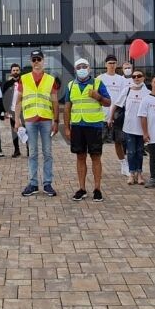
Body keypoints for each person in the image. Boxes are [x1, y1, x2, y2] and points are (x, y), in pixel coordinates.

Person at [64, 58, 112, 202]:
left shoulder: (98, 83)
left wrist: (98, 97)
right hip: (78, 126)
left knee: (96, 156)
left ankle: (97, 189)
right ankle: (82, 188)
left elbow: (108, 102)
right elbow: (67, 107)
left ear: (89, 68)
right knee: (80, 156)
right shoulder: (71, 85)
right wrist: (67, 128)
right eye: (79, 67)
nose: (82, 69)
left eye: (84, 66)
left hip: (94, 125)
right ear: (75, 70)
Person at [14, 49, 60, 197]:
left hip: (46, 120)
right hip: (30, 120)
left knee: (47, 153)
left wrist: (56, 121)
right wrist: (17, 119)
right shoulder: (24, 78)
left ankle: (47, 184)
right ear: (31, 61)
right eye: (34, 60)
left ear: (43, 61)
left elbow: (55, 101)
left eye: (38, 59)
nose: (36, 62)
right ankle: (33, 184)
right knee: (32, 153)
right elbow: (19, 101)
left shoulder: (50, 79)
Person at [112, 68, 148, 185]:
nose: (136, 78)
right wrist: (110, 117)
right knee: (131, 152)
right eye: (134, 76)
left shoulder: (147, 92)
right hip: (129, 127)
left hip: (142, 128)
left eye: (139, 76)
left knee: (139, 151)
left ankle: (140, 173)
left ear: (143, 77)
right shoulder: (126, 90)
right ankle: (132, 173)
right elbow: (116, 104)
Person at [98, 54, 128, 175]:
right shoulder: (100, 78)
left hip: (117, 116)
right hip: (102, 116)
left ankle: (123, 165)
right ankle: (97, 165)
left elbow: (124, 97)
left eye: (114, 63)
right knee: (99, 142)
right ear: (106, 65)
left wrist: (117, 113)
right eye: (110, 63)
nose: (112, 65)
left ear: (117, 65)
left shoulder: (122, 80)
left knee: (118, 142)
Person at [1, 63, 24, 158]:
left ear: (20, 71)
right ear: (11, 72)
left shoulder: (24, 82)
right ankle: (17, 150)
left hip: (24, 111)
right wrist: (5, 111)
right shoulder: (7, 84)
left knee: (26, 129)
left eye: (17, 70)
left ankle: (28, 149)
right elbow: (5, 99)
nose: (15, 72)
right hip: (11, 111)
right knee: (14, 130)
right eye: (13, 70)